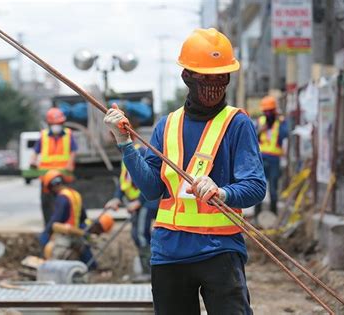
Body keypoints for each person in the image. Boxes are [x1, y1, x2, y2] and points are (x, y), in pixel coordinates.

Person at [104, 28, 266, 314]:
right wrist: (125, 144)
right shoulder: (166, 125)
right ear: (187, 76)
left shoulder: (237, 124)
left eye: (221, 77)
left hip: (220, 250)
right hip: (169, 253)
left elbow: (254, 186)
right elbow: (153, 189)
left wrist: (223, 191)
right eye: (205, 77)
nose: (214, 84)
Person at [105, 143, 157, 280]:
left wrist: (139, 201)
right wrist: (117, 198)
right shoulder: (125, 155)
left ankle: (150, 271)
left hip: (147, 202)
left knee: (141, 234)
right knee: (135, 235)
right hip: (138, 202)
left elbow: (148, 178)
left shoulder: (139, 151)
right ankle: (147, 269)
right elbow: (124, 182)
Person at [38, 170, 97, 269]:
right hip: (77, 231)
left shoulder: (62, 198)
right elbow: (83, 217)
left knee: (54, 254)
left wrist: (46, 234)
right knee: (84, 251)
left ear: (52, 186)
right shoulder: (75, 194)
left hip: (67, 234)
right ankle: (92, 268)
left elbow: (56, 220)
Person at [30, 107, 78, 226]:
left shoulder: (68, 134)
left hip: (63, 177)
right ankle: (49, 227)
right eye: (54, 123)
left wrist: (70, 164)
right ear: (49, 124)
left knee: (65, 202)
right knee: (46, 204)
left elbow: (73, 150)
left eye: (59, 123)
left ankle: (65, 226)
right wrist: (33, 161)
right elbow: (35, 151)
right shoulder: (44, 135)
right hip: (47, 178)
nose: (57, 125)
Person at [254, 96, 288, 219]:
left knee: (273, 188)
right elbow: (252, 137)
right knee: (258, 187)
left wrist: (282, 120)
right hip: (261, 159)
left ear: (274, 110)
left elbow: (285, 134)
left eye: (270, 111)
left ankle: (273, 217)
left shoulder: (281, 122)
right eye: (265, 111)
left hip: (274, 160)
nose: (267, 113)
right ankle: (258, 216)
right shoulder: (260, 122)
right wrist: (260, 131)